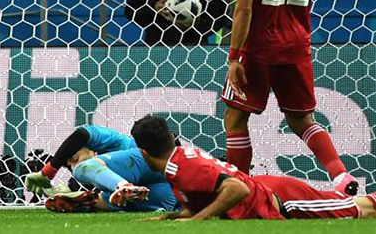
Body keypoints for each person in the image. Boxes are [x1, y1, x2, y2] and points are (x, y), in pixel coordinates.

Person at [222, 0, 358, 195]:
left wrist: (234, 57)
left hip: (258, 48)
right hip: (296, 43)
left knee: (235, 120)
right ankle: (341, 177)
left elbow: (245, 10)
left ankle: (241, 192)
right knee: (302, 121)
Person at [131, 115, 376, 220]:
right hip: (266, 190)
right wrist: (171, 217)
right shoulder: (178, 161)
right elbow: (203, 201)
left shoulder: (183, 167)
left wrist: (197, 220)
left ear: (143, 152)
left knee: (360, 209)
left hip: (280, 198)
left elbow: (237, 190)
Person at [24, 124, 178, 213]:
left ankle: (124, 187)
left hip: (150, 161)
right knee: (108, 200)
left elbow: (81, 134)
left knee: (82, 169)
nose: (72, 163)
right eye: (69, 165)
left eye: (72, 156)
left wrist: (47, 172)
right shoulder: (99, 176)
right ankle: (83, 203)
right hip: (164, 193)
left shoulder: (111, 140)